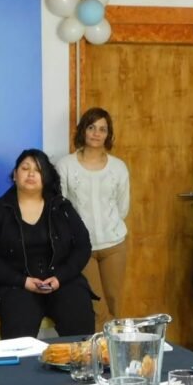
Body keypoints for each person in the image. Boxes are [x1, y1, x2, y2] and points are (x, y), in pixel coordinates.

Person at [0, 148, 95, 339]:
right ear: (15, 175)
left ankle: (81, 358)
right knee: (19, 324)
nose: (31, 174)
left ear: (45, 177)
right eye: (25, 168)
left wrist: (60, 278)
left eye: (38, 170)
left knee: (78, 314)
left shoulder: (61, 207)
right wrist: (22, 281)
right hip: (16, 285)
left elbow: (83, 246)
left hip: (62, 281)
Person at [56, 107, 131, 328]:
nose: (96, 133)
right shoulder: (65, 165)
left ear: (108, 134)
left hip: (114, 245)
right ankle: (98, 348)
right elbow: (61, 207)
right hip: (81, 248)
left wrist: (110, 226)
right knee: (96, 307)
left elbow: (122, 206)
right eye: (91, 127)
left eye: (102, 129)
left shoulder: (118, 167)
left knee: (114, 304)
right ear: (83, 130)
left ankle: (115, 347)